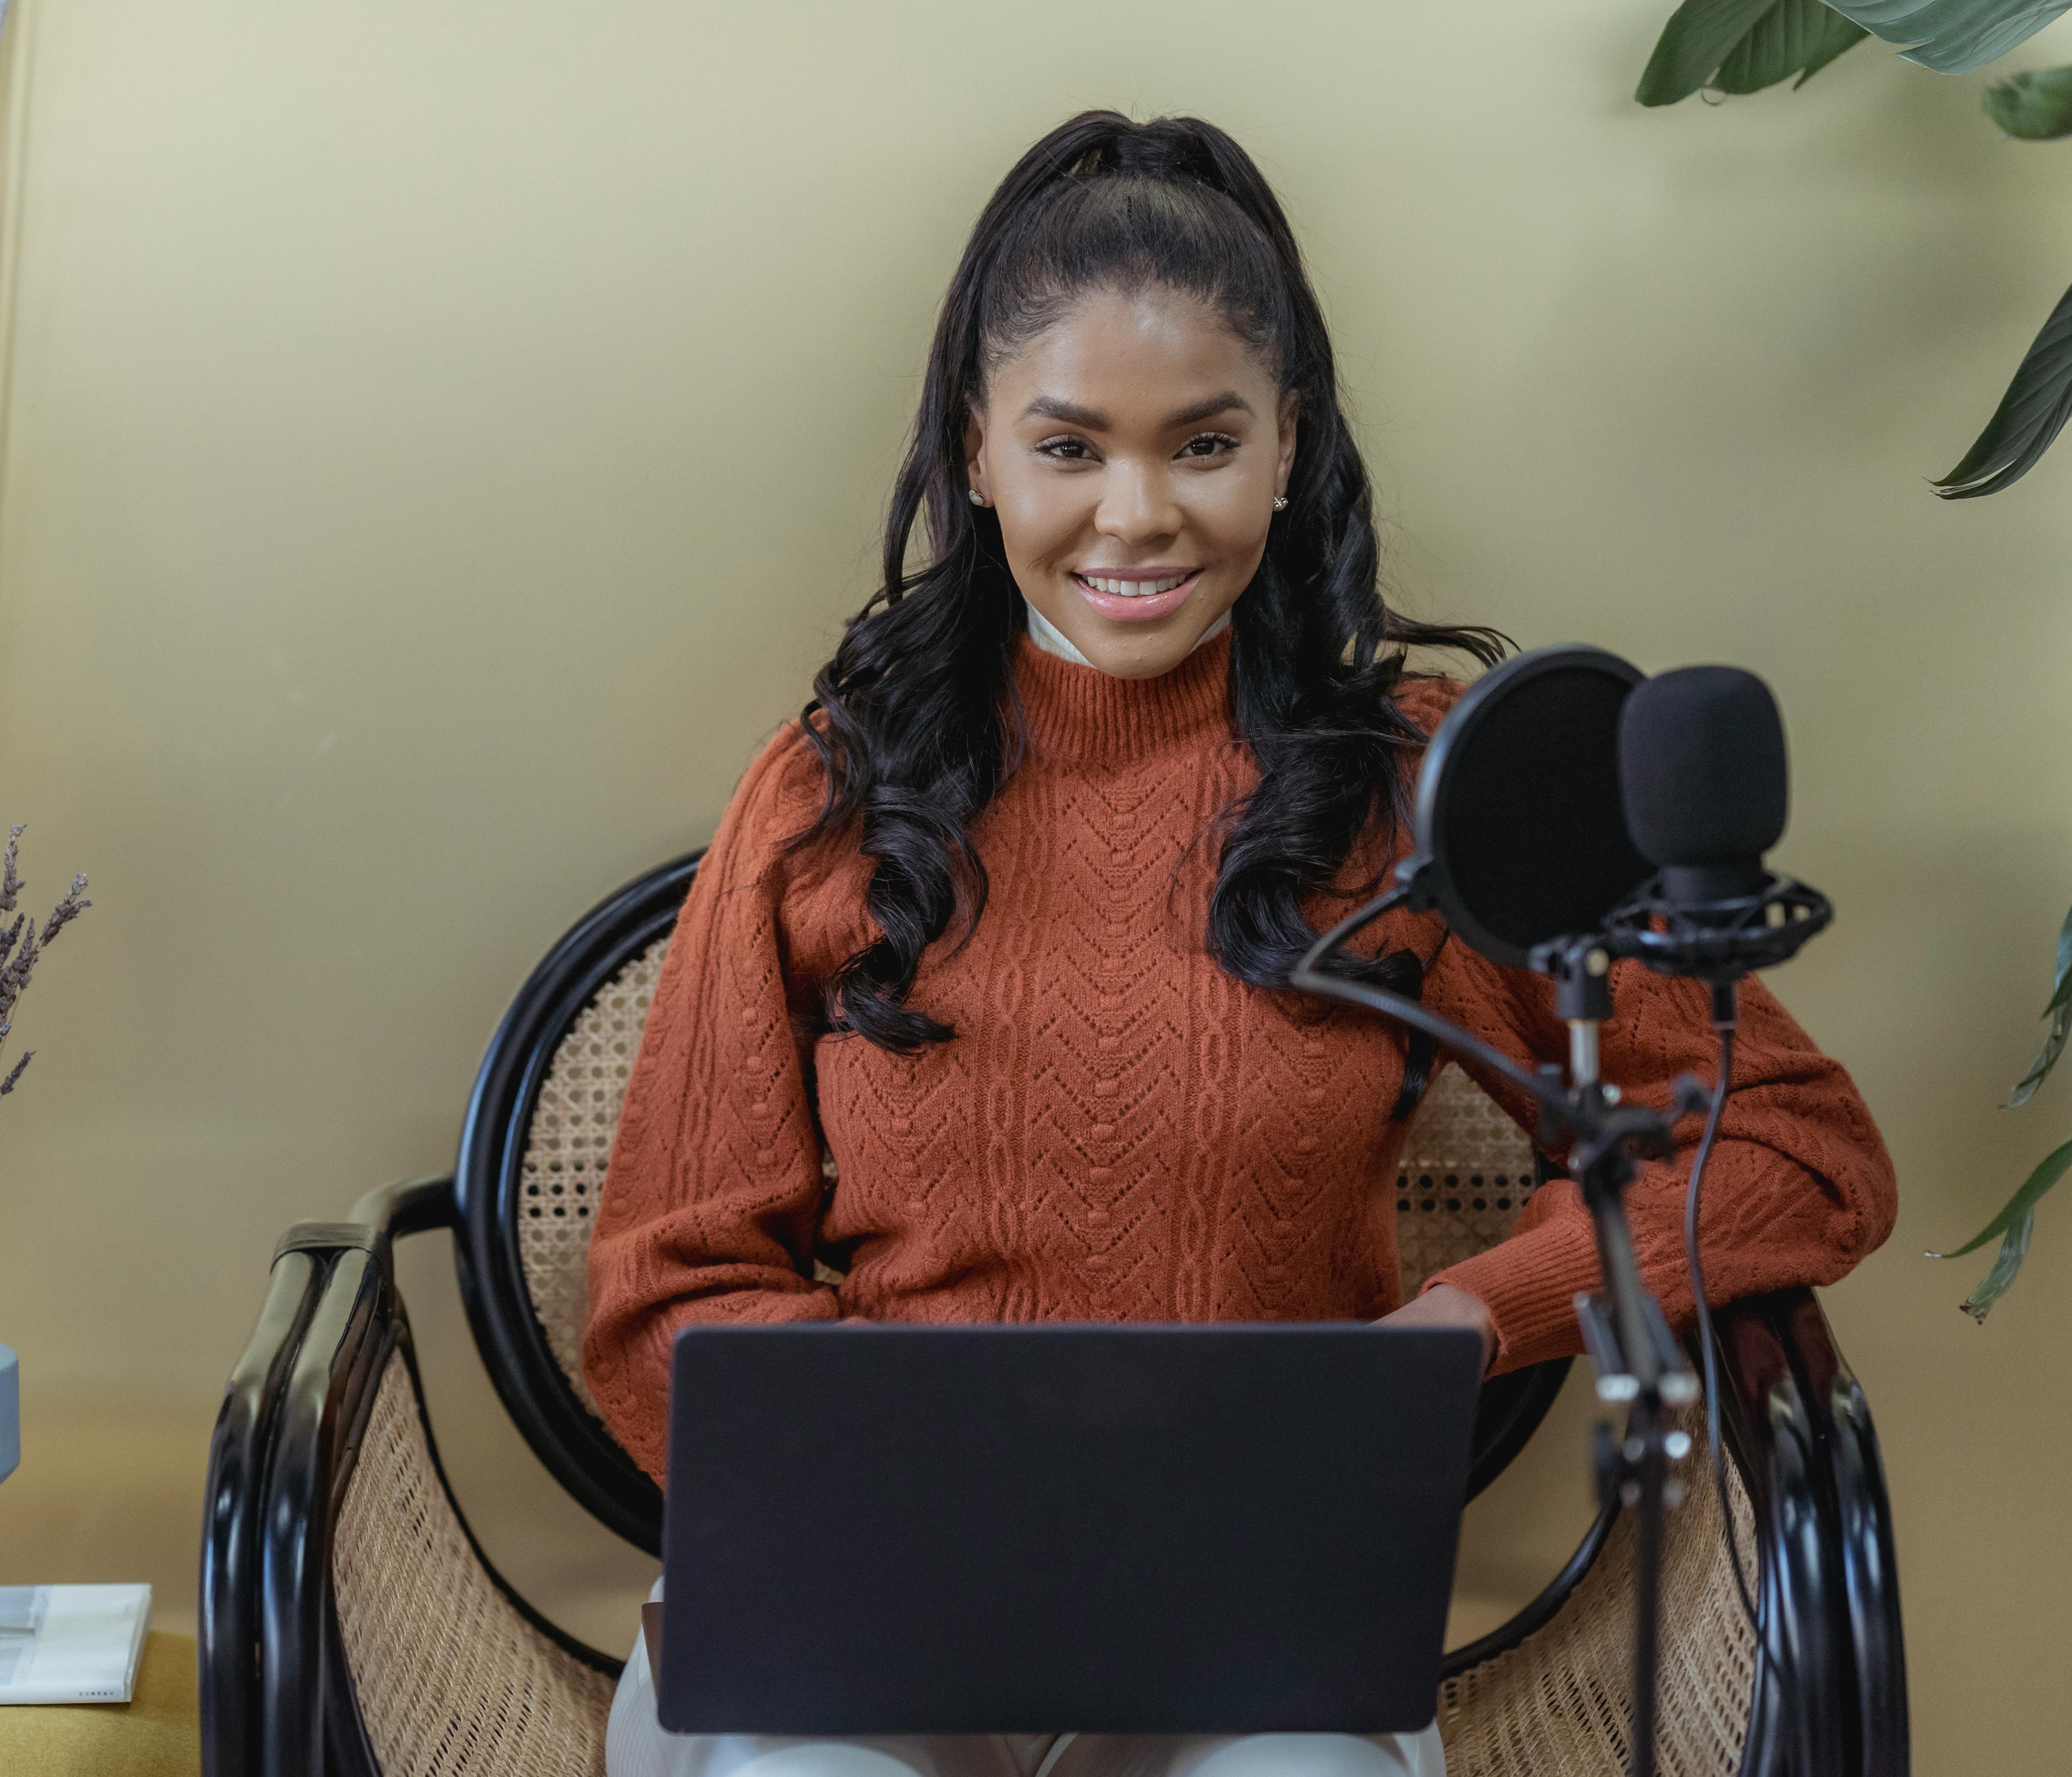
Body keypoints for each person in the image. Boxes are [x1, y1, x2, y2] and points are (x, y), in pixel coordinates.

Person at [581, 109, 1897, 1777]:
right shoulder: (831, 794)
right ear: (974, 454)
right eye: (1069, 448)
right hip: (875, 1618)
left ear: (1290, 448)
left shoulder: (1422, 786)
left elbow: (1800, 1147)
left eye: (1202, 444)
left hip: (1265, 1633)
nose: (1135, 518)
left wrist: (1469, 1321)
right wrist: (912, 1465)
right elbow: (657, 1303)